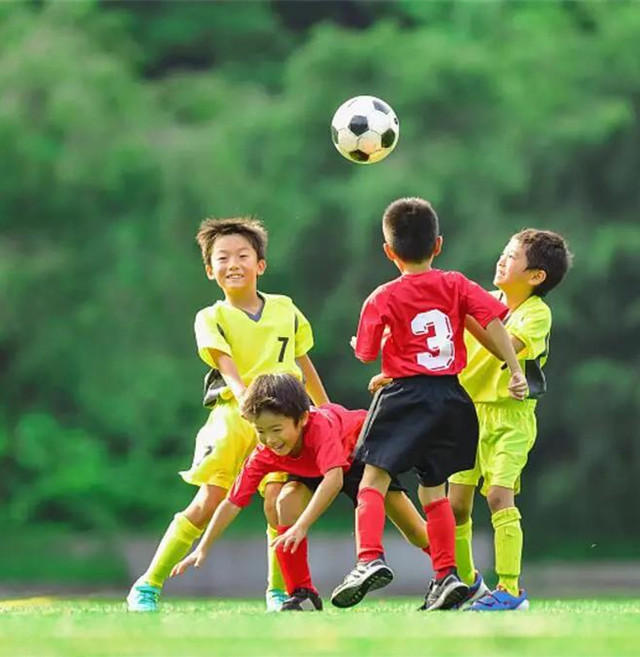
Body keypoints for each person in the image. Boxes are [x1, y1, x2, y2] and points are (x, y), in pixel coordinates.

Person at [330, 197, 528, 611]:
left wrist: (373, 346)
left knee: (372, 480)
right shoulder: (456, 283)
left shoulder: (382, 297)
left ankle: (368, 558)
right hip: (452, 398)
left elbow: (366, 353)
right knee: (433, 491)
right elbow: (494, 320)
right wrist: (514, 369)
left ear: (389, 252)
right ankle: (446, 576)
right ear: (437, 245)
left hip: (404, 396)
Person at [126, 217, 329, 612]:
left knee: (278, 502)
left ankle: (277, 592)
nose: (233, 263)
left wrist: (326, 408)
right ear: (209, 269)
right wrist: (247, 402)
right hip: (234, 417)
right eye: (222, 257)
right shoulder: (211, 316)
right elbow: (228, 369)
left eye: (242, 255)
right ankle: (147, 585)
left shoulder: (286, 309)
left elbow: (303, 361)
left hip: (284, 421)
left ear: (261, 265)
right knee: (209, 500)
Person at [170, 373, 432, 611]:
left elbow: (334, 479)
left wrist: (303, 525)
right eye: (260, 431)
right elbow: (233, 502)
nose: (270, 439)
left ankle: (454, 574)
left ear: (303, 418)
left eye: (276, 429)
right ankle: (301, 592)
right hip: (314, 469)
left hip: (360, 453)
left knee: (415, 531)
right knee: (287, 500)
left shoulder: (320, 427)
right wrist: (203, 548)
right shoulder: (266, 452)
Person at [448, 229, 572, 611]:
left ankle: (511, 589)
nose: (501, 260)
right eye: (503, 253)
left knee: (500, 495)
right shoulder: (486, 302)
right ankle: (465, 584)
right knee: (456, 507)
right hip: (468, 413)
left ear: (536, 276)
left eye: (512, 256)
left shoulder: (536, 313)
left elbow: (503, 345)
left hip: (510, 418)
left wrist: (463, 312)